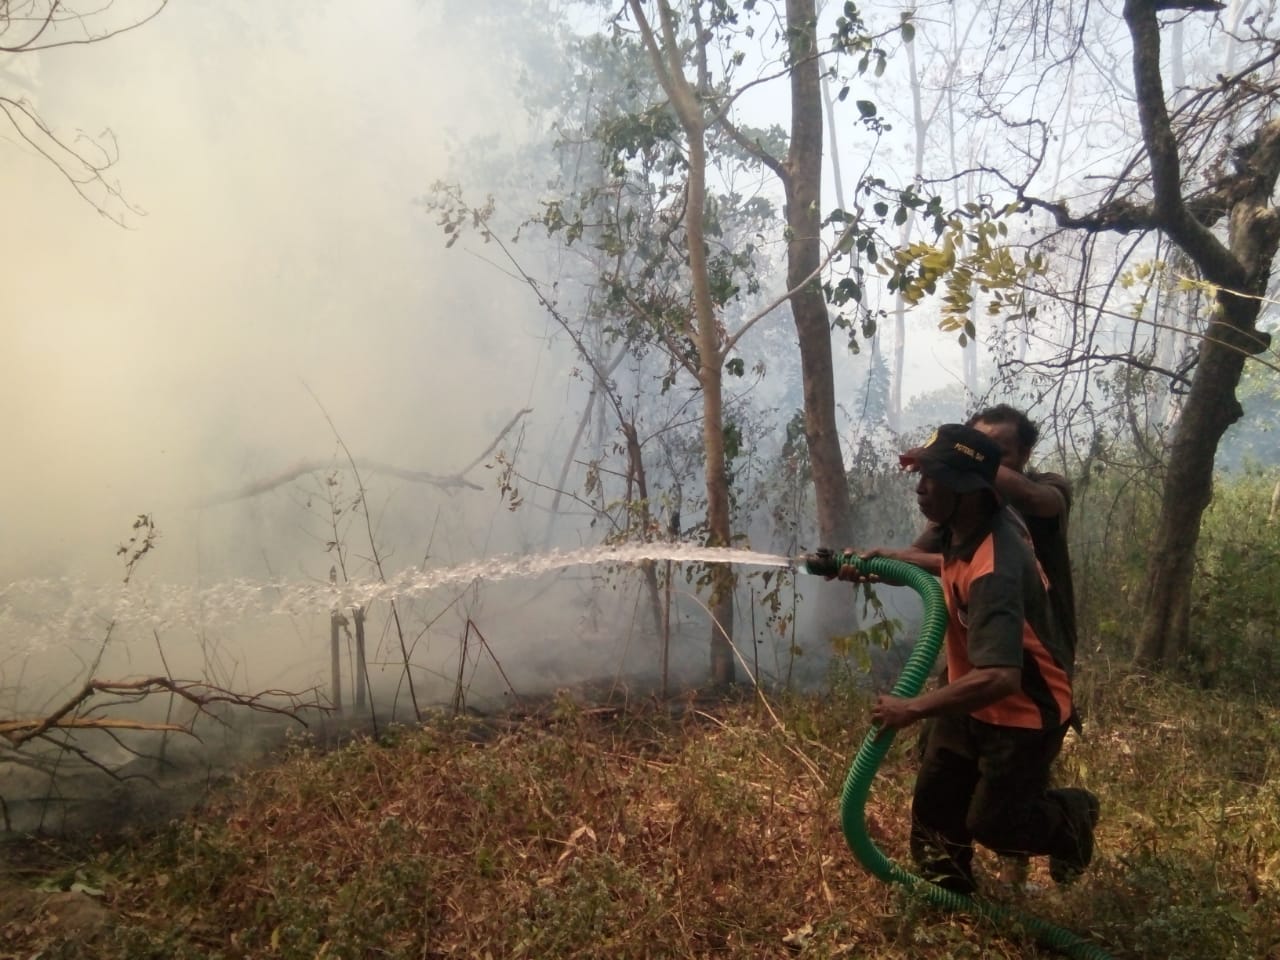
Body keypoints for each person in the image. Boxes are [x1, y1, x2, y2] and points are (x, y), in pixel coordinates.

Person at [841, 424, 1098, 894]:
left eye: (931, 478)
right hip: (968, 701)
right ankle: (951, 898)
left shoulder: (997, 564)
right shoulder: (966, 530)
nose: (920, 488)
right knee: (935, 809)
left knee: (997, 824)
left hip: (1023, 713)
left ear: (967, 489)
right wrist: (878, 562)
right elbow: (944, 565)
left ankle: (1073, 817)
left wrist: (913, 707)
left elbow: (1001, 676)